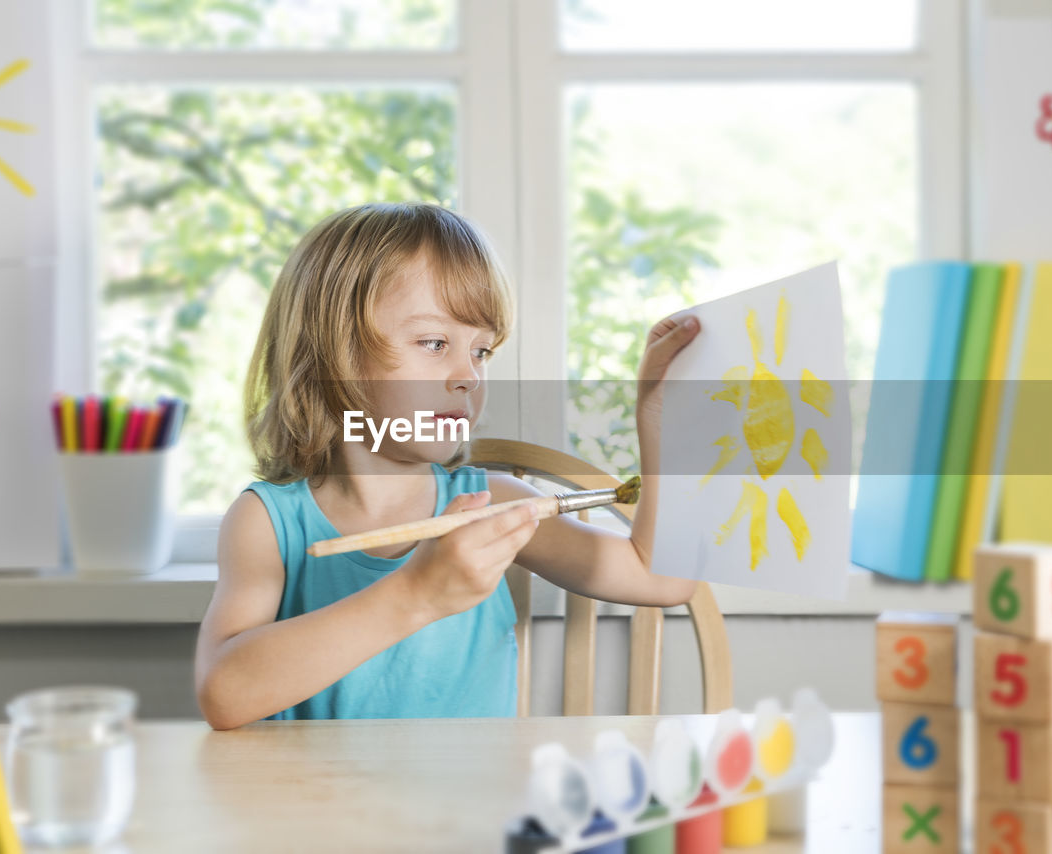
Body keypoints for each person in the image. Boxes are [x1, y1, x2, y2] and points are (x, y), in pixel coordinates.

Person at [194, 202, 700, 729]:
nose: (469, 376)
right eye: (435, 343)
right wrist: (416, 594)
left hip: (469, 808)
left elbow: (662, 580)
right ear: (334, 354)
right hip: (318, 806)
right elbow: (224, 697)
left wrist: (660, 418)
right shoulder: (268, 523)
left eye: (481, 351)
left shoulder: (496, 505)